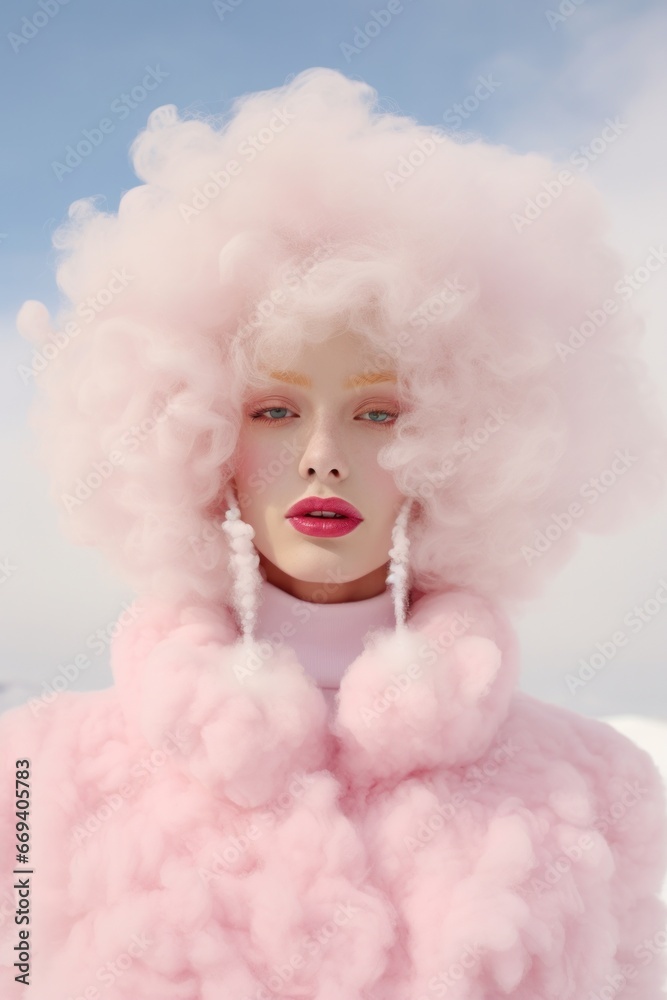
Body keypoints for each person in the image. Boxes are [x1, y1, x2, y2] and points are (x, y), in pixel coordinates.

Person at [1, 66, 666, 998]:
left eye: (377, 414)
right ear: (202, 438)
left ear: (458, 443)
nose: (322, 458)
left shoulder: (594, 792)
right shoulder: (36, 778)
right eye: (274, 412)